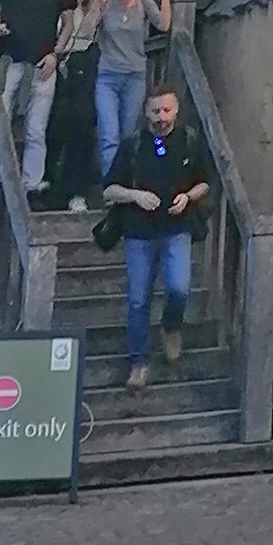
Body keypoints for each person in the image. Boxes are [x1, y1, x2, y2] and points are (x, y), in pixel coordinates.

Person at [101, 82, 212, 388]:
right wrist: (135, 196)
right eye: (155, 111)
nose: (162, 117)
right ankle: (139, 363)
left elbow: (205, 182)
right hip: (139, 233)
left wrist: (188, 197)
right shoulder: (133, 145)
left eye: (167, 110)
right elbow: (109, 190)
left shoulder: (189, 140)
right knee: (138, 300)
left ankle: (171, 327)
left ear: (176, 109)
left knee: (179, 288)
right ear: (146, 112)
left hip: (177, 228)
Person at [0, 0, 71, 200]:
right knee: (2, 117)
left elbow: (69, 22)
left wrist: (56, 55)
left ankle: (31, 182)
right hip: (11, 56)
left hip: (44, 61)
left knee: (36, 126)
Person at [91, 0, 172, 182]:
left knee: (128, 133)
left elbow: (164, 25)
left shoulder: (143, 4)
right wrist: (98, 5)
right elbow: (87, 31)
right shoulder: (107, 4)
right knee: (109, 134)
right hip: (108, 75)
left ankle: (125, 181)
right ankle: (110, 184)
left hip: (134, 75)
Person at [44, 0, 104, 211]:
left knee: (82, 125)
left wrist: (97, 3)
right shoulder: (61, 7)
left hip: (85, 62)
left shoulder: (95, 8)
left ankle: (77, 190)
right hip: (60, 63)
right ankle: (49, 179)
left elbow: (88, 32)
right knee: (56, 124)